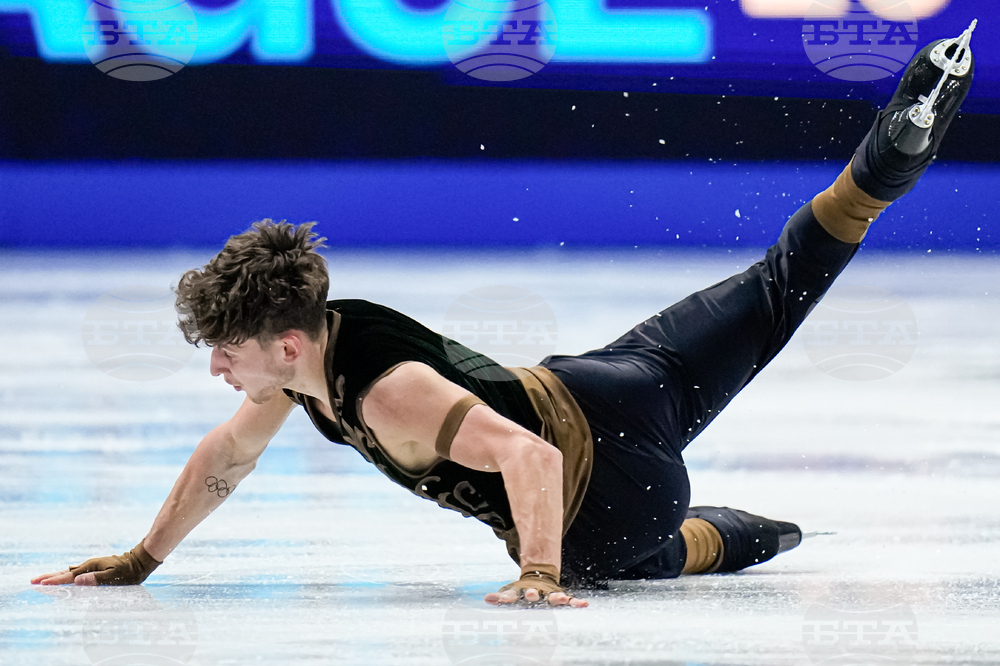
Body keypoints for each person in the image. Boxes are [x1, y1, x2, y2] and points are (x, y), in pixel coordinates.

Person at [31, 25, 977, 608]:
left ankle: (738, 537)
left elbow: (533, 459)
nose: (219, 375)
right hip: (616, 381)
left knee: (652, 550)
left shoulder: (385, 394)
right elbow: (227, 455)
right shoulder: (318, 343)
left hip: (605, 506)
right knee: (781, 280)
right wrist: (141, 558)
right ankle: (885, 164)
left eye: (225, 355)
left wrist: (539, 573)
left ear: (282, 343)